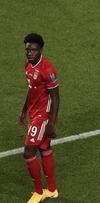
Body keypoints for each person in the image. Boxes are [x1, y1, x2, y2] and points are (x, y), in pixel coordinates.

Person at [19, 33, 60, 203]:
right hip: (34, 113)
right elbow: (31, 89)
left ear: (41, 50)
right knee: (45, 149)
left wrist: (51, 123)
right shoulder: (28, 65)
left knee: (29, 152)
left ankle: (38, 192)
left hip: (44, 116)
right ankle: (51, 190)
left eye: (33, 50)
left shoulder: (48, 70)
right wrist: (23, 110)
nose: (29, 53)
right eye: (27, 50)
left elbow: (56, 97)